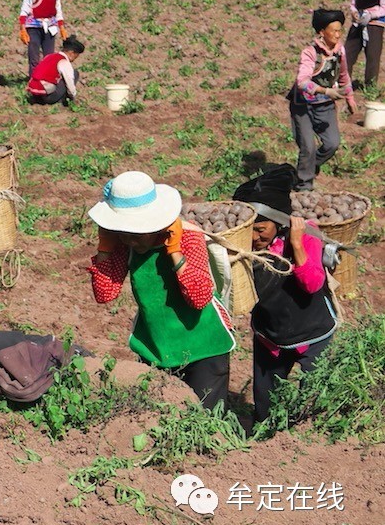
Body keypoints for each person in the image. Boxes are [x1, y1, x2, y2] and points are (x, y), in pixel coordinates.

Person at [87, 171, 235, 410]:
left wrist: (175, 252)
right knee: (158, 417)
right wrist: (105, 248)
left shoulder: (188, 237)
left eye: (137, 234)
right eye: (124, 234)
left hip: (204, 345)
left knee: (206, 421)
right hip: (156, 345)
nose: (132, 241)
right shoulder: (125, 242)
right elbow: (105, 294)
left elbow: (199, 298)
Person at [231, 165, 337, 425]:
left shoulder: (306, 236)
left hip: (313, 332)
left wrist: (297, 244)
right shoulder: (239, 241)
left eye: (261, 229)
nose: (254, 237)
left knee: (313, 403)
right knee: (265, 406)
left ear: (279, 222)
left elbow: (312, 284)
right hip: (271, 335)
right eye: (249, 228)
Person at [290, 9, 357, 191]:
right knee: (308, 147)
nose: (337, 34)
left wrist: (350, 97)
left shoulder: (340, 51)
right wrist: (325, 91)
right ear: (321, 32)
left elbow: (343, 75)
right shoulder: (310, 53)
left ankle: (309, 167)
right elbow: (302, 82)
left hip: (324, 106)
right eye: (333, 30)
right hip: (303, 106)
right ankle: (304, 186)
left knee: (332, 143)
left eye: (339, 30)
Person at [18, 0, 67, 77]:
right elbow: (24, 10)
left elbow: (58, 11)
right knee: (34, 55)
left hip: (49, 27)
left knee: (49, 56)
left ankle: (46, 80)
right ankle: (33, 81)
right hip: (34, 27)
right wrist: (22, 29)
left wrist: (62, 28)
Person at [345, 0, 383, 89]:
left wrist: (370, 15)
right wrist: (354, 12)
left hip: (374, 25)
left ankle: (370, 87)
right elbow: (353, 3)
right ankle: (344, 83)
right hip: (358, 23)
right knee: (348, 52)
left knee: (372, 56)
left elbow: (383, 7)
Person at [27, 36, 85, 106]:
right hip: (47, 97)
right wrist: (73, 96)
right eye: (76, 56)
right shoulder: (63, 61)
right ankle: (62, 101)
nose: (75, 59)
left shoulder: (49, 57)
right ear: (71, 53)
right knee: (74, 73)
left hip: (34, 93)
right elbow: (69, 81)